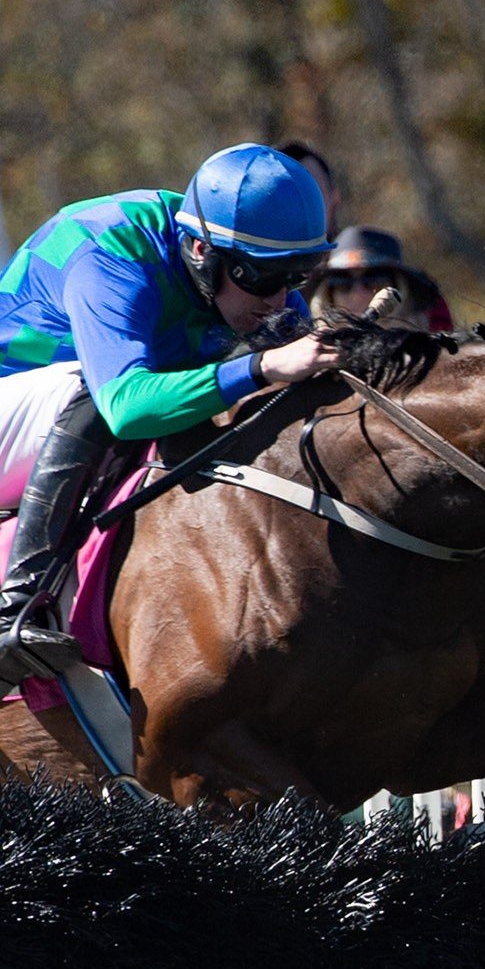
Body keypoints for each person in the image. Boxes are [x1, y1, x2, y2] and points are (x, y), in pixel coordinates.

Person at [0, 143, 341, 689]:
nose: (280, 300)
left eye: (295, 276)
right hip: (20, 401)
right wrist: (263, 366)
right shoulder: (110, 247)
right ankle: (15, 607)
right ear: (201, 250)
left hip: (75, 425)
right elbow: (126, 407)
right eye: (259, 277)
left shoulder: (245, 271)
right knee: (89, 388)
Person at [309, 226, 455, 332]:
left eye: (373, 280)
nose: (358, 294)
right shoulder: (308, 365)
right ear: (328, 295)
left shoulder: (434, 358)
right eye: (342, 282)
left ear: (400, 289)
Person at [277, 140, 342, 240]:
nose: (302, 205)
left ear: (335, 196)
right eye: (289, 194)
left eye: (312, 192)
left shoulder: (357, 252)